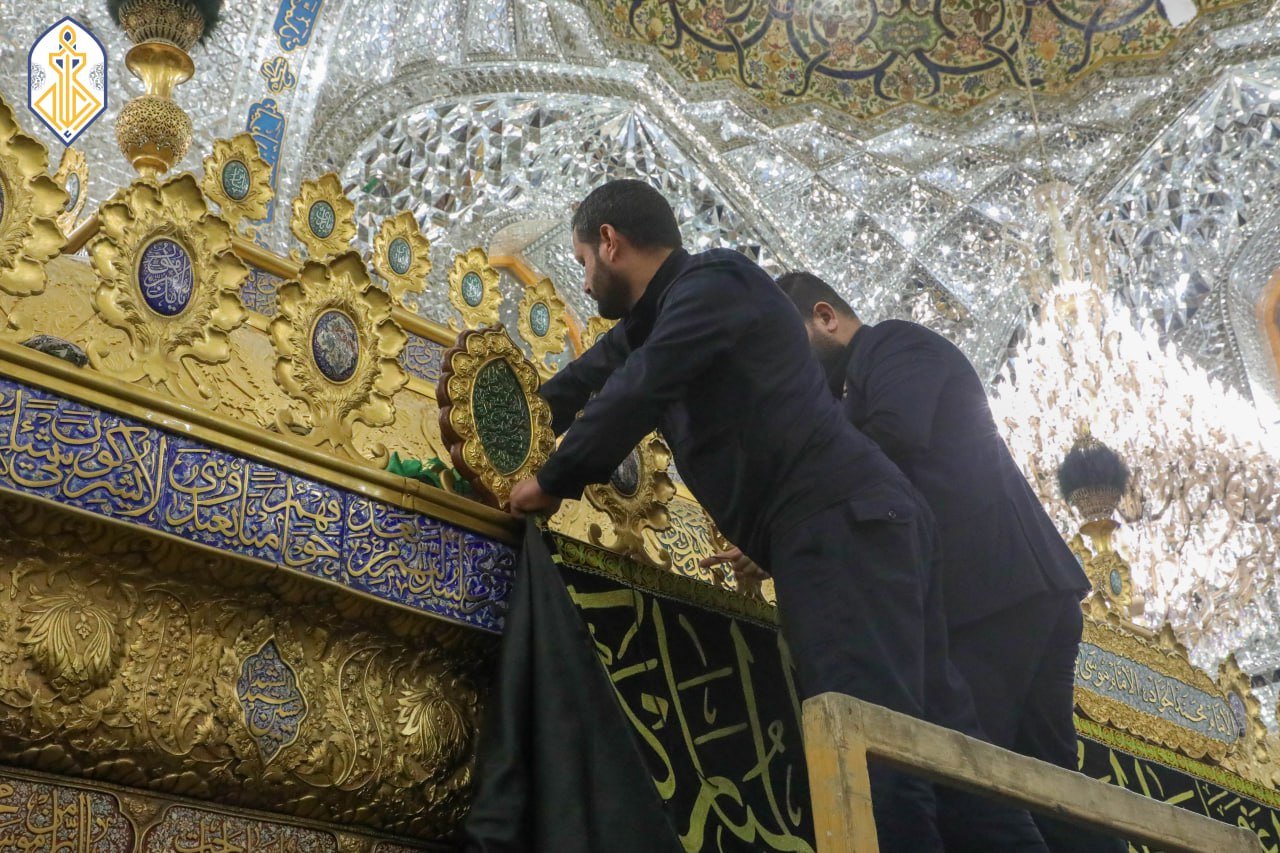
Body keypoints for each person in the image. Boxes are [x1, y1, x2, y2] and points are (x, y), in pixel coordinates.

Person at [508, 179, 1046, 852]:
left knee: (871, 746)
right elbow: (582, 382)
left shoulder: (716, 283)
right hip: (862, 523)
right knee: (944, 744)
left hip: (840, 526)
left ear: (610, 243)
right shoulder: (657, 319)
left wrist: (551, 481)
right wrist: (506, 421)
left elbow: (642, 386)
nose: (586, 282)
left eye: (584, 261)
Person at [768, 271, 1111, 853]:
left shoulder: (893, 344)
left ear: (825, 317)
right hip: (1018, 592)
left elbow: (894, 434)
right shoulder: (857, 383)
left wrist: (799, 501)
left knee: (968, 773)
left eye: (789, 345)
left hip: (997, 594)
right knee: (1050, 787)